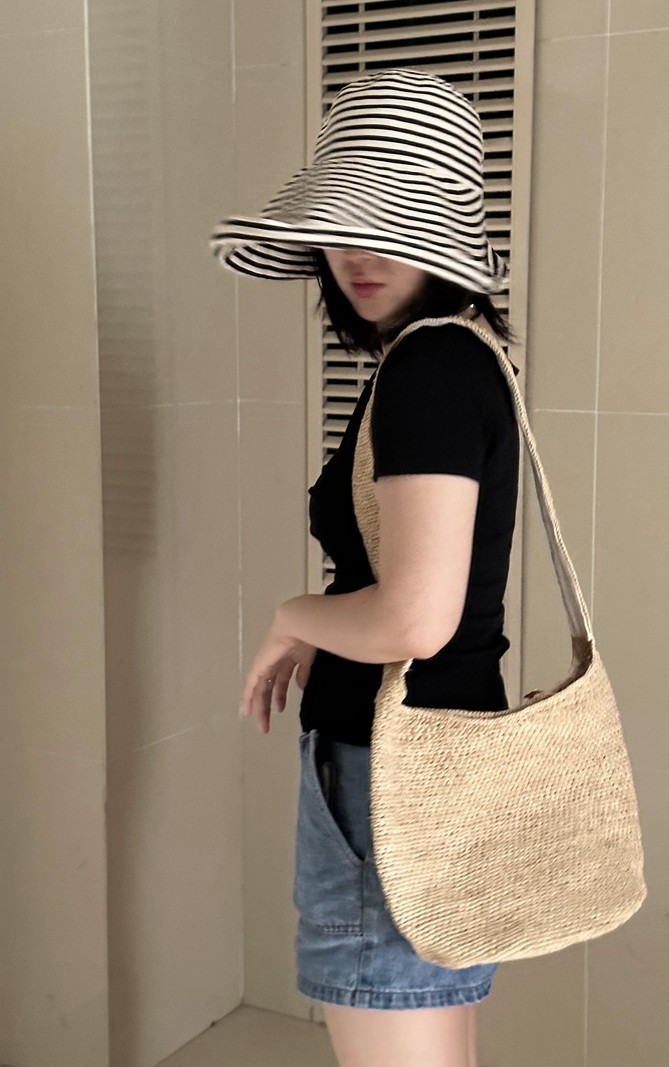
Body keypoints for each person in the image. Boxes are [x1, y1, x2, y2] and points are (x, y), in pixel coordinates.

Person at [210, 67, 521, 1067]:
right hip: (443, 757)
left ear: (443, 235)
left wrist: (294, 612)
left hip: (389, 772)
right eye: (342, 222)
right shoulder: (461, 355)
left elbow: (414, 620)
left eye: (392, 221)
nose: (356, 250)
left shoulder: (428, 369)